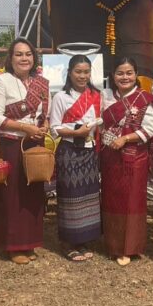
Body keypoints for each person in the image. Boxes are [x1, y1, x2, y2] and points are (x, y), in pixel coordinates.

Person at [0, 38, 51, 265]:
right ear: (11, 58)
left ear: (34, 57)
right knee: (12, 195)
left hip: (35, 143)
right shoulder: (2, 81)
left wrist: (44, 125)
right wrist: (24, 128)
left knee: (33, 194)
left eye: (28, 54)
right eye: (19, 54)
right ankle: (13, 245)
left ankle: (30, 241)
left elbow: (45, 114)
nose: (24, 58)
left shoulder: (42, 83)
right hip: (11, 144)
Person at [100, 57, 153, 266]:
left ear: (136, 75)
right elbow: (99, 123)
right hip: (110, 156)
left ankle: (130, 247)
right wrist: (107, 137)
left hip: (135, 158)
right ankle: (113, 245)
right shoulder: (105, 96)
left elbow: (149, 130)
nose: (125, 77)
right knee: (111, 198)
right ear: (113, 76)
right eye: (120, 73)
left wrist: (125, 138)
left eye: (129, 73)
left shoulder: (144, 98)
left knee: (132, 201)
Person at [50, 54, 102, 262]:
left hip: (89, 151)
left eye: (86, 72)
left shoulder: (97, 95)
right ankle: (68, 242)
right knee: (70, 196)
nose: (82, 76)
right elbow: (54, 128)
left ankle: (83, 240)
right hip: (69, 152)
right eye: (78, 72)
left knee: (88, 195)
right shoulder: (61, 97)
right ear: (69, 73)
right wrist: (75, 133)